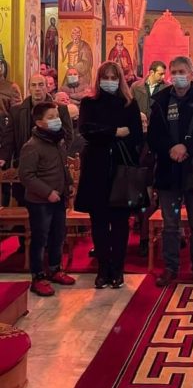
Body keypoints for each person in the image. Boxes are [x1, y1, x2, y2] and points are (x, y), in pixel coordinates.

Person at [147, 56, 193, 287]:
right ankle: (170, 266)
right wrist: (171, 148)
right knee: (170, 224)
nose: (178, 76)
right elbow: (153, 135)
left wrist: (186, 147)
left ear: (191, 74)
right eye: (174, 72)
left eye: (182, 72)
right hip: (168, 168)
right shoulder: (161, 101)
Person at [74, 61, 143, 289]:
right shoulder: (89, 103)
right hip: (96, 169)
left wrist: (107, 135)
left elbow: (135, 136)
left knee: (120, 223)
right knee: (99, 222)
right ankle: (103, 268)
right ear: (99, 79)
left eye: (114, 77)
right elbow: (87, 130)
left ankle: (118, 269)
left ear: (120, 79)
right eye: (106, 77)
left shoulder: (129, 104)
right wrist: (114, 132)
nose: (110, 81)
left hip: (121, 169)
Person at [18, 101, 76, 296]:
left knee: (58, 236)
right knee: (40, 238)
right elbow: (26, 176)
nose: (56, 120)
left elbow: (63, 166)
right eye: (51, 118)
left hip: (58, 197)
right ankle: (38, 277)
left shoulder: (57, 141)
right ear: (39, 122)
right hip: (40, 201)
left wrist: (68, 184)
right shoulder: (32, 146)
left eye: (57, 116)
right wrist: (47, 192)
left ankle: (55, 269)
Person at [131, 60, 167, 257]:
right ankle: (143, 235)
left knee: (155, 197)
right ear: (151, 72)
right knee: (144, 197)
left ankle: (165, 235)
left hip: (157, 142)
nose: (163, 77)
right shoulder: (136, 88)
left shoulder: (166, 89)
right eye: (160, 73)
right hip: (139, 142)